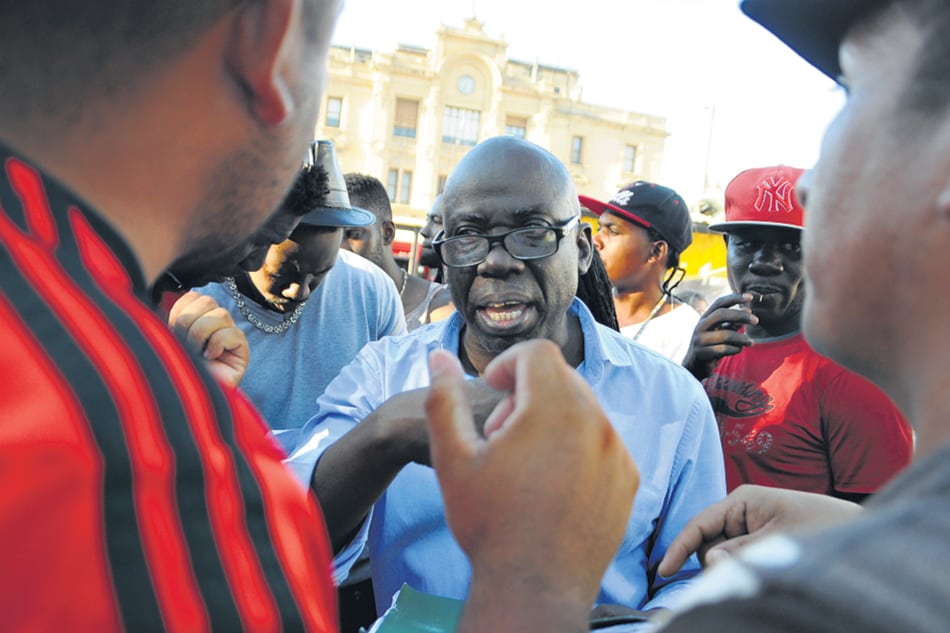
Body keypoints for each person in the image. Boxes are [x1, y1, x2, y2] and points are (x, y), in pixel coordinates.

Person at [0, 4, 640, 632]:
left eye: (530, 232)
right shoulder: (111, 434)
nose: (498, 262)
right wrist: (535, 594)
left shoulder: (92, 350)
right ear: (269, 44)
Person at [288, 135, 727, 622]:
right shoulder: (384, 376)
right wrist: (390, 434)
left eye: (532, 231)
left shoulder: (672, 402)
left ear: (582, 249)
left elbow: (695, 579)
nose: (495, 261)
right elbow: (291, 532)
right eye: (467, 236)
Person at [648, 1, 950, 631]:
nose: (813, 184)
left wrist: (528, 570)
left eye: (852, 92)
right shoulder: (709, 346)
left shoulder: (800, 606)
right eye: (747, 243)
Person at [682, 165, 912, 499]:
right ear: (727, 246)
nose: (765, 262)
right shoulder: (714, 341)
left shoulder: (854, 369)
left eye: (792, 247)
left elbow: (885, 518)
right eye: (748, 243)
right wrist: (689, 373)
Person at [198, 153, 406, 454]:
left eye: (320, 274)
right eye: (283, 275)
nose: (301, 292)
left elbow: (395, 404)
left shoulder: (373, 291)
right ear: (257, 239)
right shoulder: (203, 293)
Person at [582, 182, 701, 362]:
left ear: (655, 251)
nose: (595, 241)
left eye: (613, 231)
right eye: (600, 229)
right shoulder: (580, 306)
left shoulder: (684, 330)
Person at [343, 173, 446, 330]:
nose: (341, 248)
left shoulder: (439, 308)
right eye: (333, 236)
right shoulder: (326, 299)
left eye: (353, 234)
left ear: (387, 233)